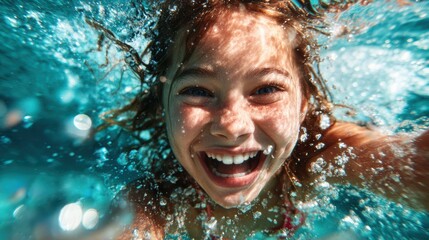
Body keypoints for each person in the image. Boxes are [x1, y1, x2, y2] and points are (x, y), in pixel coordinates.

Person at [89, 0, 429, 239]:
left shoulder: (321, 153)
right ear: (163, 103)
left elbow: (410, 164)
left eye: (266, 89)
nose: (232, 126)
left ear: (303, 103)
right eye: (198, 91)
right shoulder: (160, 197)